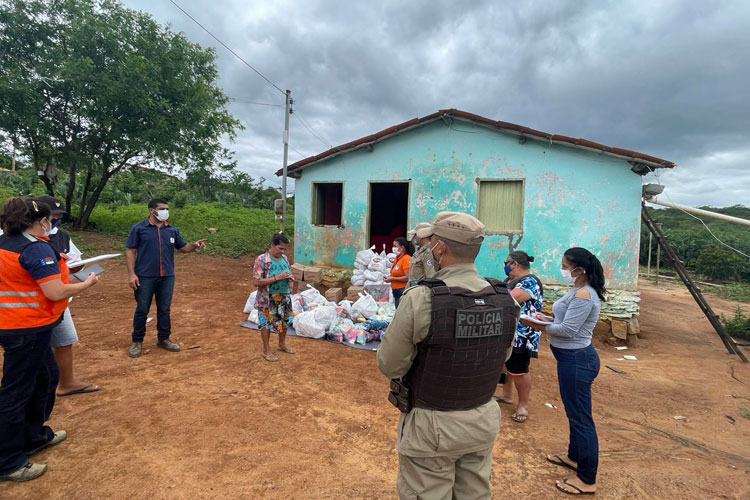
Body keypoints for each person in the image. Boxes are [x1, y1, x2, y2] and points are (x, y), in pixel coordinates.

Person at [377, 212, 519, 499]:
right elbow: (502, 355)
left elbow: (390, 364)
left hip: (432, 426)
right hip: (481, 419)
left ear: (440, 248)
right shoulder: (505, 299)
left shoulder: (422, 299)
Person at [0, 198, 98, 482]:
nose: (51, 224)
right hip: (26, 329)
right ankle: (8, 460)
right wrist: (86, 284)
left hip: (23, 326)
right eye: (49, 220)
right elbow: (55, 292)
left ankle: (34, 435)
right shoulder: (35, 248)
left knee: (45, 377)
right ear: (40, 221)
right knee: (16, 391)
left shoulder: (9, 243)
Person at [520, 247, 606, 496]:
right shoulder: (579, 291)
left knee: (581, 418)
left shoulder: (584, 295)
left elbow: (568, 330)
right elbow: (566, 323)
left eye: (566, 266)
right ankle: (574, 456)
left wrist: (535, 324)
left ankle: (587, 479)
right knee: (574, 412)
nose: (564, 270)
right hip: (571, 358)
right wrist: (545, 318)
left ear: (579, 269)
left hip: (577, 360)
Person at [35, 196, 100, 397]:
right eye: (51, 217)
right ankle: (37, 387)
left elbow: (74, 262)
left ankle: (67, 382)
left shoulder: (61, 236)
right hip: (35, 304)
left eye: (58, 216)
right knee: (36, 348)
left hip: (61, 299)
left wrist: (76, 267)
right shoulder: (18, 239)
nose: (54, 221)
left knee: (65, 340)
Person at [125, 198, 206, 358]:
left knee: (164, 309)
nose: (165, 212)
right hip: (145, 276)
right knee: (142, 309)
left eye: (166, 209)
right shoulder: (139, 229)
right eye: (162, 209)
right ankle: (137, 341)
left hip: (167, 276)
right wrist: (132, 274)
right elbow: (130, 251)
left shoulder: (172, 230)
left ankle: (164, 338)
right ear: (151, 210)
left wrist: (195, 246)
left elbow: (183, 248)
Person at [494, 250, 543, 424]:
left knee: (519, 369)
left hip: (522, 334)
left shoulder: (529, 282)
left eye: (507, 263)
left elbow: (510, 300)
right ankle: (506, 395)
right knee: (507, 365)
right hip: (510, 332)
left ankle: (523, 405)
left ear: (514, 264)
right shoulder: (512, 280)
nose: (505, 266)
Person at [252, 233, 296, 362]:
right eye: (280, 248)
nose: (282, 251)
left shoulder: (285, 259)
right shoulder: (261, 260)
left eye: (284, 249)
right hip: (267, 297)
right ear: (272, 245)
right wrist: (277, 278)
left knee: (285, 320)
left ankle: (282, 344)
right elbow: (256, 282)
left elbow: (290, 274)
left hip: (284, 295)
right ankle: (266, 350)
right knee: (266, 323)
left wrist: (292, 284)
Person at [384, 236, 414, 307]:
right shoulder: (396, 258)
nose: (393, 248)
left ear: (402, 248)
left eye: (395, 246)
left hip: (402, 290)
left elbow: (407, 277)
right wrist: (389, 277)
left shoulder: (406, 259)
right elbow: (396, 273)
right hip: (396, 290)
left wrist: (392, 279)